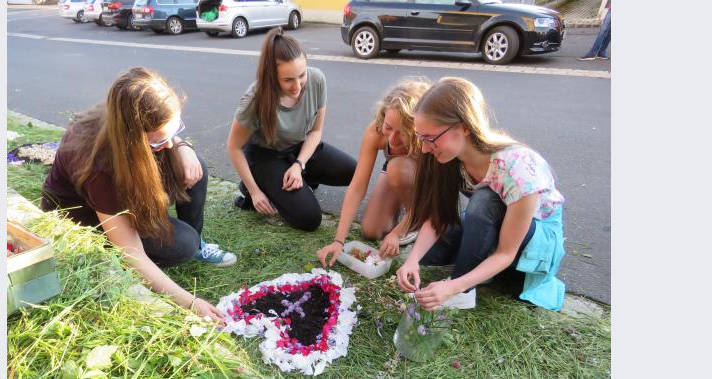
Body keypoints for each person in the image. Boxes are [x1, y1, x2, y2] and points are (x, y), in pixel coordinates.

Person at [41, 67, 236, 324]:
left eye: (174, 131)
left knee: (193, 164)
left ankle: (196, 242)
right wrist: (190, 302)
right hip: (86, 217)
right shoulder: (99, 166)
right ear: (133, 138)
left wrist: (182, 145)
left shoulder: (125, 110)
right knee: (183, 244)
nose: (167, 144)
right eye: (158, 140)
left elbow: (166, 139)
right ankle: (184, 244)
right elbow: (131, 252)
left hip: (119, 184)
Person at [396, 77, 566, 312]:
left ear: (464, 127)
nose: (424, 148)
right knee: (431, 256)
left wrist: (454, 286)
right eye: (420, 137)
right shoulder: (446, 156)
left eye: (430, 138)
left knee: (483, 201)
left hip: (530, 240)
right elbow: (438, 217)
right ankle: (470, 270)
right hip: (493, 223)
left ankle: (465, 291)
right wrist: (412, 260)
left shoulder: (518, 170)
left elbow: (506, 253)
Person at [227, 27, 357, 231]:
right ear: (272, 75)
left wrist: (299, 165)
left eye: (301, 75)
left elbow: (315, 132)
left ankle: (299, 179)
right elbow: (234, 148)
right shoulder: (254, 100)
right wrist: (254, 192)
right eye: (288, 80)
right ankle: (258, 184)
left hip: (299, 147)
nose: (297, 86)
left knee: (353, 171)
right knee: (309, 219)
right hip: (265, 156)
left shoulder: (317, 79)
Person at [317, 77, 430, 268]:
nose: (392, 139)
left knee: (398, 168)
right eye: (388, 127)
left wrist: (398, 231)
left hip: (424, 176)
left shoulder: (427, 137)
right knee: (371, 230)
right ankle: (403, 202)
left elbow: (438, 189)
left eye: (402, 132)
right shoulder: (375, 130)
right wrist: (339, 241)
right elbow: (357, 187)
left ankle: (416, 217)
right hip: (397, 172)